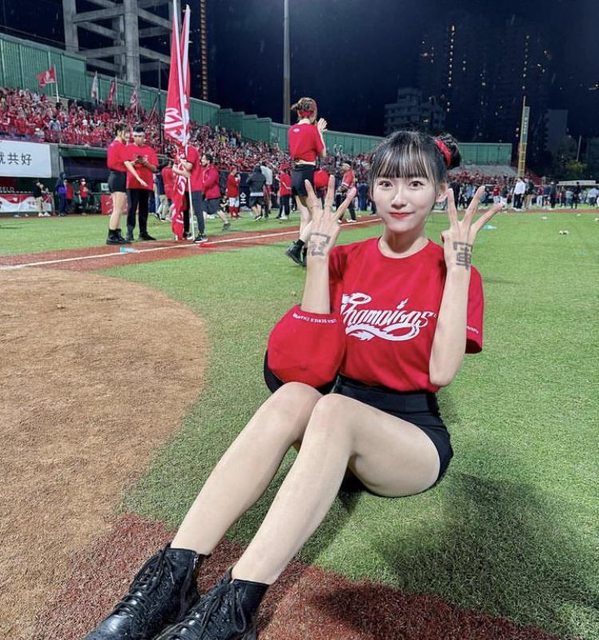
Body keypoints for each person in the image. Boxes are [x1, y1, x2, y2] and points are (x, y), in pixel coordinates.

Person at [84, 130, 502, 640]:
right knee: (297, 396)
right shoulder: (346, 260)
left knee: (334, 410)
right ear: (370, 188)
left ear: (440, 191)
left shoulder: (452, 270)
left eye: (415, 184)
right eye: (387, 182)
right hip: (331, 433)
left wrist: (458, 268)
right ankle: (171, 576)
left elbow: (439, 374)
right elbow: (305, 364)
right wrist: (319, 258)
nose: (399, 197)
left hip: (407, 441)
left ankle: (232, 609)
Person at [285, 96, 327, 265]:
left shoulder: (291, 129)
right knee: (318, 214)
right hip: (307, 173)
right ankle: (297, 247)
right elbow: (323, 154)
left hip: (295, 173)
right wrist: (319, 132)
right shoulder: (312, 130)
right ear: (313, 112)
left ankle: (303, 254)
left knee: (305, 216)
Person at [106, 123, 146, 245]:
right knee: (118, 209)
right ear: (119, 132)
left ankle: (116, 233)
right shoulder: (120, 145)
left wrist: (133, 163)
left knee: (117, 209)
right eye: (126, 132)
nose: (128, 135)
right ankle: (112, 235)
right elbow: (127, 164)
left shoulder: (113, 145)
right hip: (119, 177)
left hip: (114, 176)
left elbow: (123, 163)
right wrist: (138, 178)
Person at [124, 125, 158, 242]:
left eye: (140, 136)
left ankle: (143, 232)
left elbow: (154, 168)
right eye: (136, 136)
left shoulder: (150, 150)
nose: (138, 138)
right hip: (132, 183)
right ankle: (129, 232)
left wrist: (145, 163)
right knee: (131, 208)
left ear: (144, 137)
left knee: (144, 209)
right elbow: (124, 165)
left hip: (146, 184)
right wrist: (134, 162)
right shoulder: (128, 148)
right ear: (133, 136)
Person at [201, 153, 230, 231]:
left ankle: (226, 222)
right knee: (203, 209)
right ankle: (201, 227)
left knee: (217, 209)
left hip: (213, 194)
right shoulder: (204, 170)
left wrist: (201, 187)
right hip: (206, 194)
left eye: (203, 159)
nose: (201, 160)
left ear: (208, 161)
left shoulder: (213, 170)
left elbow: (209, 182)